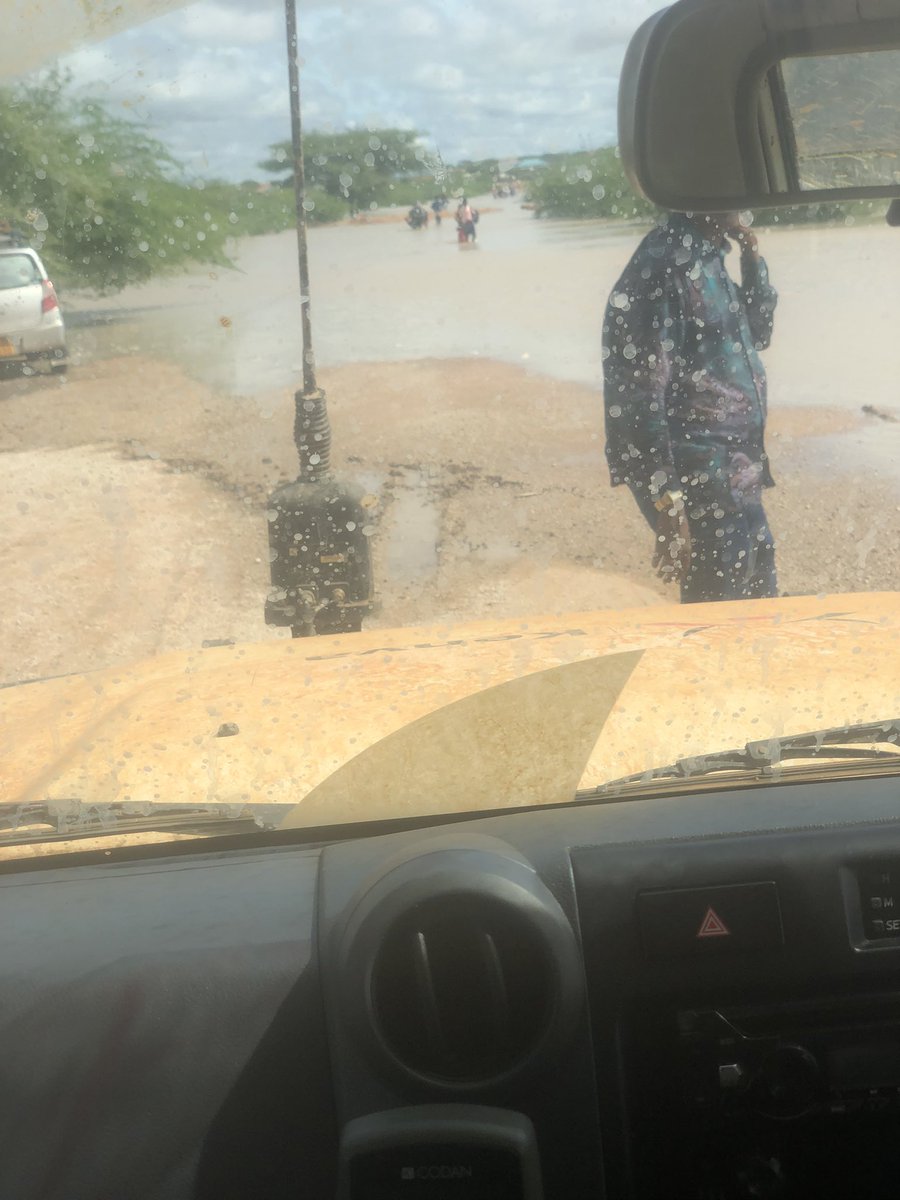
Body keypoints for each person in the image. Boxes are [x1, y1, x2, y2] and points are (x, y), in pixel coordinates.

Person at [602, 211, 778, 603]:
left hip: (738, 470)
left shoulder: (708, 255)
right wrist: (666, 498)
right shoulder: (666, 262)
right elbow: (637, 393)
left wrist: (751, 258)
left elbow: (758, 332)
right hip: (701, 476)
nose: (746, 201)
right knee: (717, 610)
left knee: (759, 593)